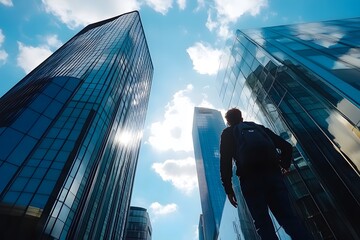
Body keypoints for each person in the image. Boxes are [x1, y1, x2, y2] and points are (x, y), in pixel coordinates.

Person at [220, 108, 311, 240]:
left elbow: (225, 162)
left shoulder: (228, 133)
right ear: (241, 118)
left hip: (250, 181)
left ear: (228, 121)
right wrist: (284, 166)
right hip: (273, 176)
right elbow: (286, 146)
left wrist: (228, 189)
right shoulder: (258, 128)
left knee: (263, 225)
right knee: (289, 219)